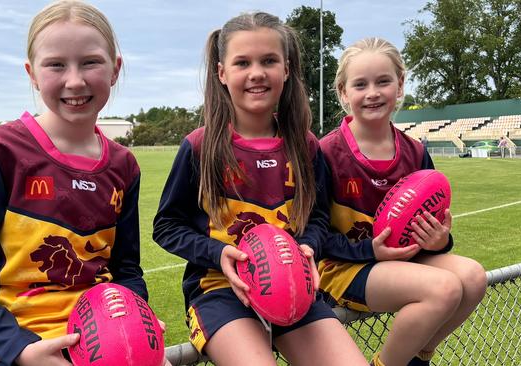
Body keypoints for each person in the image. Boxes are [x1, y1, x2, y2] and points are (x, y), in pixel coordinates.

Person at [0, 2, 161, 365]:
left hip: (100, 339)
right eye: (56, 65)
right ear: (32, 74)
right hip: (6, 347)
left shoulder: (123, 165)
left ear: (115, 69)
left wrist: (137, 320)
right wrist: (18, 348)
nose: (75, 80)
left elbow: (126, 269)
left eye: (90, 62)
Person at [153, 12, 368, 366]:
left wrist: (307, 247)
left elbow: (316, 217)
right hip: (220, 291)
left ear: (286, 69)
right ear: (222, 73)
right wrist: (217, 254)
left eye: (269, 60)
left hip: (292, 285)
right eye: (242, 62)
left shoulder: (305, 146)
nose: (257, 72)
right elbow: (167, 226)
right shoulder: (200, 147)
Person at [317, 37, 487, 366]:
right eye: (360, 84)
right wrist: (369, 251)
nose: (373, 93)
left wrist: (439, 241)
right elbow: (314, 236)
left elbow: (432, 226)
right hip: (346, 266)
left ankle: (416, 357)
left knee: (473, 278)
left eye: (383, 81)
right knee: (443, 289)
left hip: (402, 262)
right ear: (343, 92)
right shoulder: (325, 153)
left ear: (400, 85)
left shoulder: (416, 151)